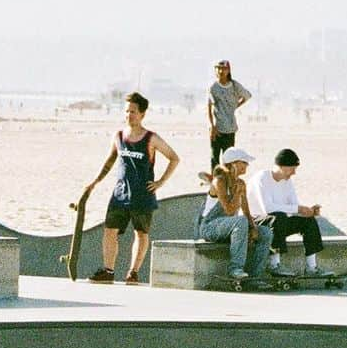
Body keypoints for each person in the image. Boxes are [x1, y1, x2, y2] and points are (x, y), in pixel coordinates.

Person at [84, 92, 180, 284]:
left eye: (133, 111)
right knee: (110, 230)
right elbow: (110, 160)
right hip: (120, 194)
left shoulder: (151, 138)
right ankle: (108, 271)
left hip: (142, 195)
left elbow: (174, 158)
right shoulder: (118, 136)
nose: (129, 115)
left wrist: (160, 182)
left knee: (141, 233)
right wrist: (96, 181)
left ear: (142, 114)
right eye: (127, 111)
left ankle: (133, 272)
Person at [196, 146, 272, 280]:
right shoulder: (219, 181)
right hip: (210, 227)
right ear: (234, 164)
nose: (247, 165)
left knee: (266, 233)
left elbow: (246, 211)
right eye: (244, 162)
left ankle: (255, 275)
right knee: (240, 221)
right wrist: (237, 193)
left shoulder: (241, 183)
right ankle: (235, 268)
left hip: (230, 227)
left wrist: (253, 228)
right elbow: (230, 211)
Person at [245, 148, 324, 276]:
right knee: (279, 216)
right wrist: (297, 209)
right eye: (292, 168)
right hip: (256, 223)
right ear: (281, 166)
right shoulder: (262, 178)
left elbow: (293, 207)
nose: (294, 173)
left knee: (308, 221)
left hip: (277, 223)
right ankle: (274, 265)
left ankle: (311, 267)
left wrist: (308, 211)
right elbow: (268, 208)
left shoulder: (287, 182)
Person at [208, 60, 251, 169]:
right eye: (218, 68)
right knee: (214, 158)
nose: (221, 71)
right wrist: (212, 126)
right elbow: (209, 107)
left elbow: (247, 95)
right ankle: (216, 182)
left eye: (224, 69)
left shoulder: (234, 86)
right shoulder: (213, 87)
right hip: (217, 129)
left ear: (228, 70)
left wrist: (235, 106)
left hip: (230, 129)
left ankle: (228, 182)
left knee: (229, 159)